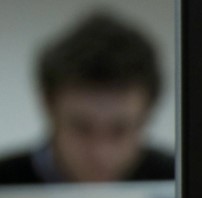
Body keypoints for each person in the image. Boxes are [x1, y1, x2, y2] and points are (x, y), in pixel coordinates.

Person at [0, 12, 173, 184]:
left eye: (120, 130)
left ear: (147, 114)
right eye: (81, 128)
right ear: (49, 107)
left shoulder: (180, 182)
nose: (100, 154)